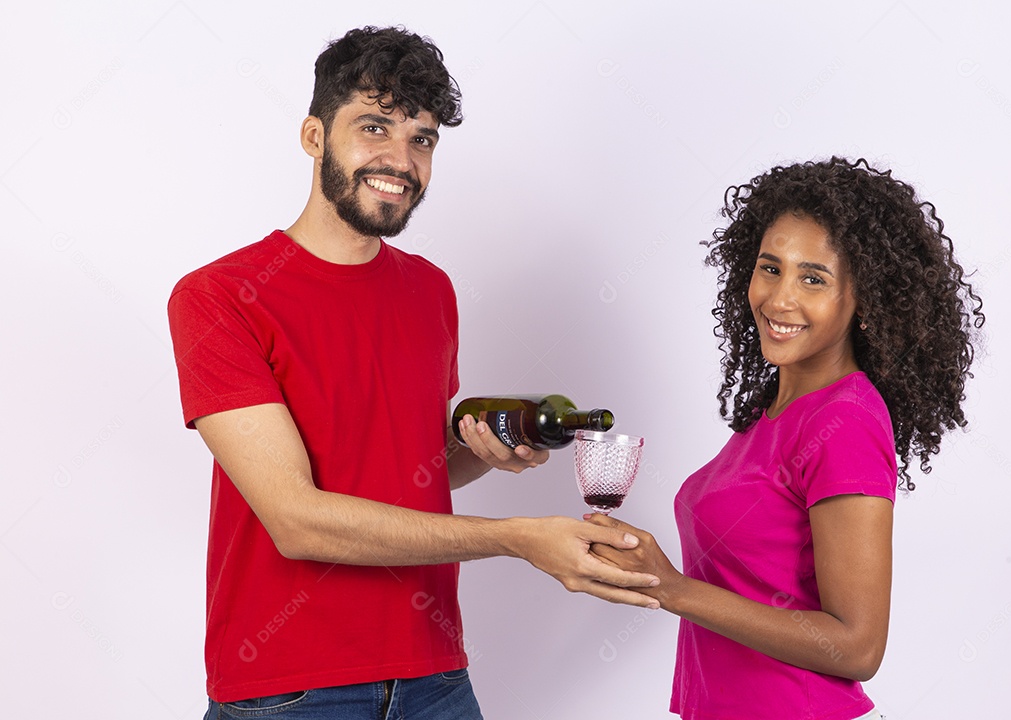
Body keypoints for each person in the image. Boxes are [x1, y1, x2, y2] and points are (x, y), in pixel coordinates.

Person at [167, 26, 659, 720]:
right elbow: (297, 520)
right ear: (314, 136)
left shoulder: (430, 290)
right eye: (375, 127)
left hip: (434, 674)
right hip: (289, 686)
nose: (401, 161)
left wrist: (479, 453)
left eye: (422, 139)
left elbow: (410, 472)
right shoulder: (219, 296)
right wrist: (516, 538)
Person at [588, 157, 984, 719]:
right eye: (770, 268)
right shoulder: (770, 413)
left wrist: (669, 588)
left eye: (813, 278)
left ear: (865, 301)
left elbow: (857, 647)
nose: (778, 300)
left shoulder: (845, 421)